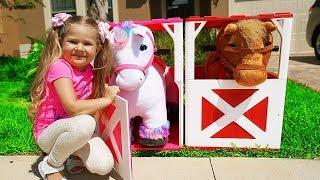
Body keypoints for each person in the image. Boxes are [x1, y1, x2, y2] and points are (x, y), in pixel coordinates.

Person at [28, 13, 119, 180]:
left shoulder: (90, 71)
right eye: (72, 41)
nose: (79, 48)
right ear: (61, 42)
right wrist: (106, 100)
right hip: (49, 134)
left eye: (87, 43)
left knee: (104, 165)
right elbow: (73, 108)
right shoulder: (60, 67)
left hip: (75, 131)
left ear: (97, 49)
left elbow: (100, 89)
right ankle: (52, 163)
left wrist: (111, 90)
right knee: (86, 122)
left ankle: (71, 155)